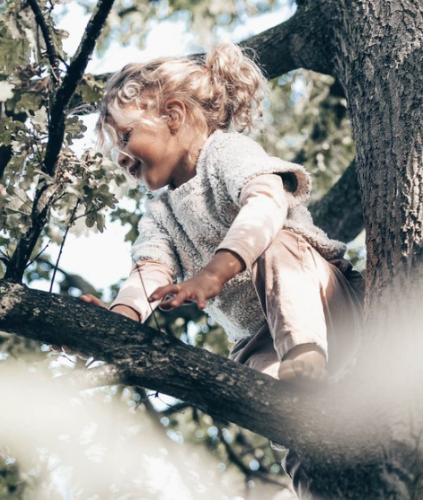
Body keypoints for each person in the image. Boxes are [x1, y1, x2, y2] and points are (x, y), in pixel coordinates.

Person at [74, 43, 364, 499]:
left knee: (277, 244)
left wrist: (213, 274)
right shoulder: (159, 212)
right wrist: (112, 321)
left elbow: (266, 204)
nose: (122, 159)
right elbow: (148, 271)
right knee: (292, 428)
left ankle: (306, 352)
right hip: (259, 342)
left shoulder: (224, 152)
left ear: (173, 114)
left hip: (325, 301)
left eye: (125, 138)